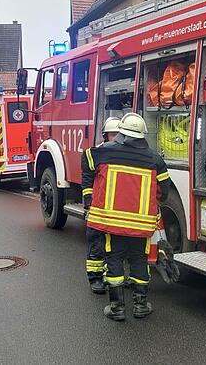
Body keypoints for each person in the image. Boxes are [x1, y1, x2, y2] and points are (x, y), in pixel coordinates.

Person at [81, 113, 170, 321]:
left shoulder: (104, 153)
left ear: (121, 132)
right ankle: (140, 306)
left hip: (112, 223)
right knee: (139, 261)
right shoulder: (155, 160)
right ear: (142, 135)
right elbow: (163, 193)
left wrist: (90, 193)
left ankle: (117, 308)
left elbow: (86, 158)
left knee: (114, 261)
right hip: (141, 225)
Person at [84, 117, 121, 294]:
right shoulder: (95, 154)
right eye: (113, 134)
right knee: (96, 244)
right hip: (98, 208)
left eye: (118, 135)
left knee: (115, 246)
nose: (115, 138)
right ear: (105, 136)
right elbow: (87, 180)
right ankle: (95, 278)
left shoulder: (123, 153)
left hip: (116, 208)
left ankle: (112, 276)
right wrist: (88, 205)